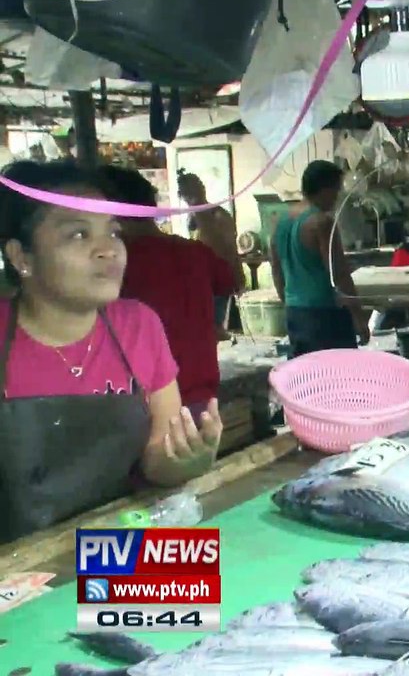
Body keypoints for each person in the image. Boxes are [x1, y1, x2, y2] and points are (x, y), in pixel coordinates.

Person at [0, 160, 223, 542]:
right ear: (22, 258)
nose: (108, 250)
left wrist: (184, 461)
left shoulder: (139, 325)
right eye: (78, 235)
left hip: (118, 544)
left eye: (113, 233)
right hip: (18, 570)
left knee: (208, 592)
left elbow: (157, 461)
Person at [100, 165, 236, 419]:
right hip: (200, 397)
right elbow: (232, 280)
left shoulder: (115, 264)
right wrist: (201, 204)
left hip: (147, 406)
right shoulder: (192, 252)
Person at [270, 160, 368, 358]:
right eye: (336, 190)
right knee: (336, 377)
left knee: (307, 377)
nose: (337, 197)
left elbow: (276, 270)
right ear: (325, 189)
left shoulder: (280, 222)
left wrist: (288, 302)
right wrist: (359, 318)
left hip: (295, 312)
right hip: (325, 314)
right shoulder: (321, 222)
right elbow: (339, 275)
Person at [176, 171, 243, 337]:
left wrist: (237, 276)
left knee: (212, 330)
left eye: (193, 191)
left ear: (202, 189)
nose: (189, 197)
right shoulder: (192, 216)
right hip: (199, 280)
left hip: (218, 279)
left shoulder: (217, 216)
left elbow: (228, 250)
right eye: (186, 193)